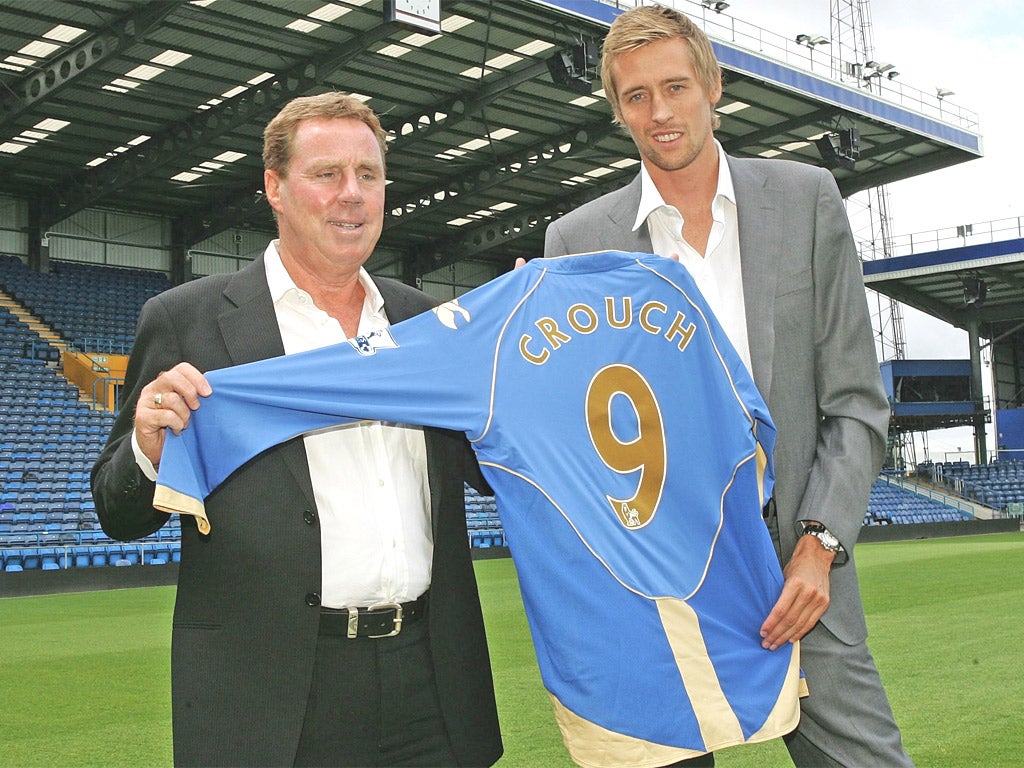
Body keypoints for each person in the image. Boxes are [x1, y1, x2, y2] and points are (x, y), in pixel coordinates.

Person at [544, 6, 912, 767]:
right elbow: (581, 433)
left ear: (713, 87)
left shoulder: (807, 200)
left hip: (798, 576)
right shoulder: (576, 241)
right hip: (659, 593)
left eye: (676, 86)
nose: (661, 111)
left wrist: (820, 546)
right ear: (617, 110)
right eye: (637, 96)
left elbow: (854, 401)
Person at [90, 92, 503, 768]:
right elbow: (116, 511)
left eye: (368, 176)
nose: (352, 195)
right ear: (275, 189)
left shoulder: (429, 325)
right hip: (274, 690)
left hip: (429, 679)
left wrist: (519, 373)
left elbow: (493, 472)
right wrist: (149, 446)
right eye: (328, 174)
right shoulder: (187, 320)